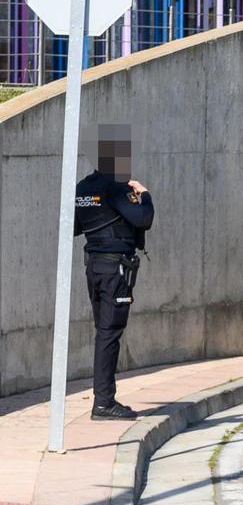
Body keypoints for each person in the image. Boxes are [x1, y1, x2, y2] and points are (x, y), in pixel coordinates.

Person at [74, 127, 154, 421]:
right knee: (109, 333)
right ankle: (104, 402)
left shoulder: (83, 188)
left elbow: (75, 226)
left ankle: (104, 400)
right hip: (114, 268)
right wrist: (144, 195)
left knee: (103, 331)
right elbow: (143, 219)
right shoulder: (117, 186)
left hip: (93, 265)